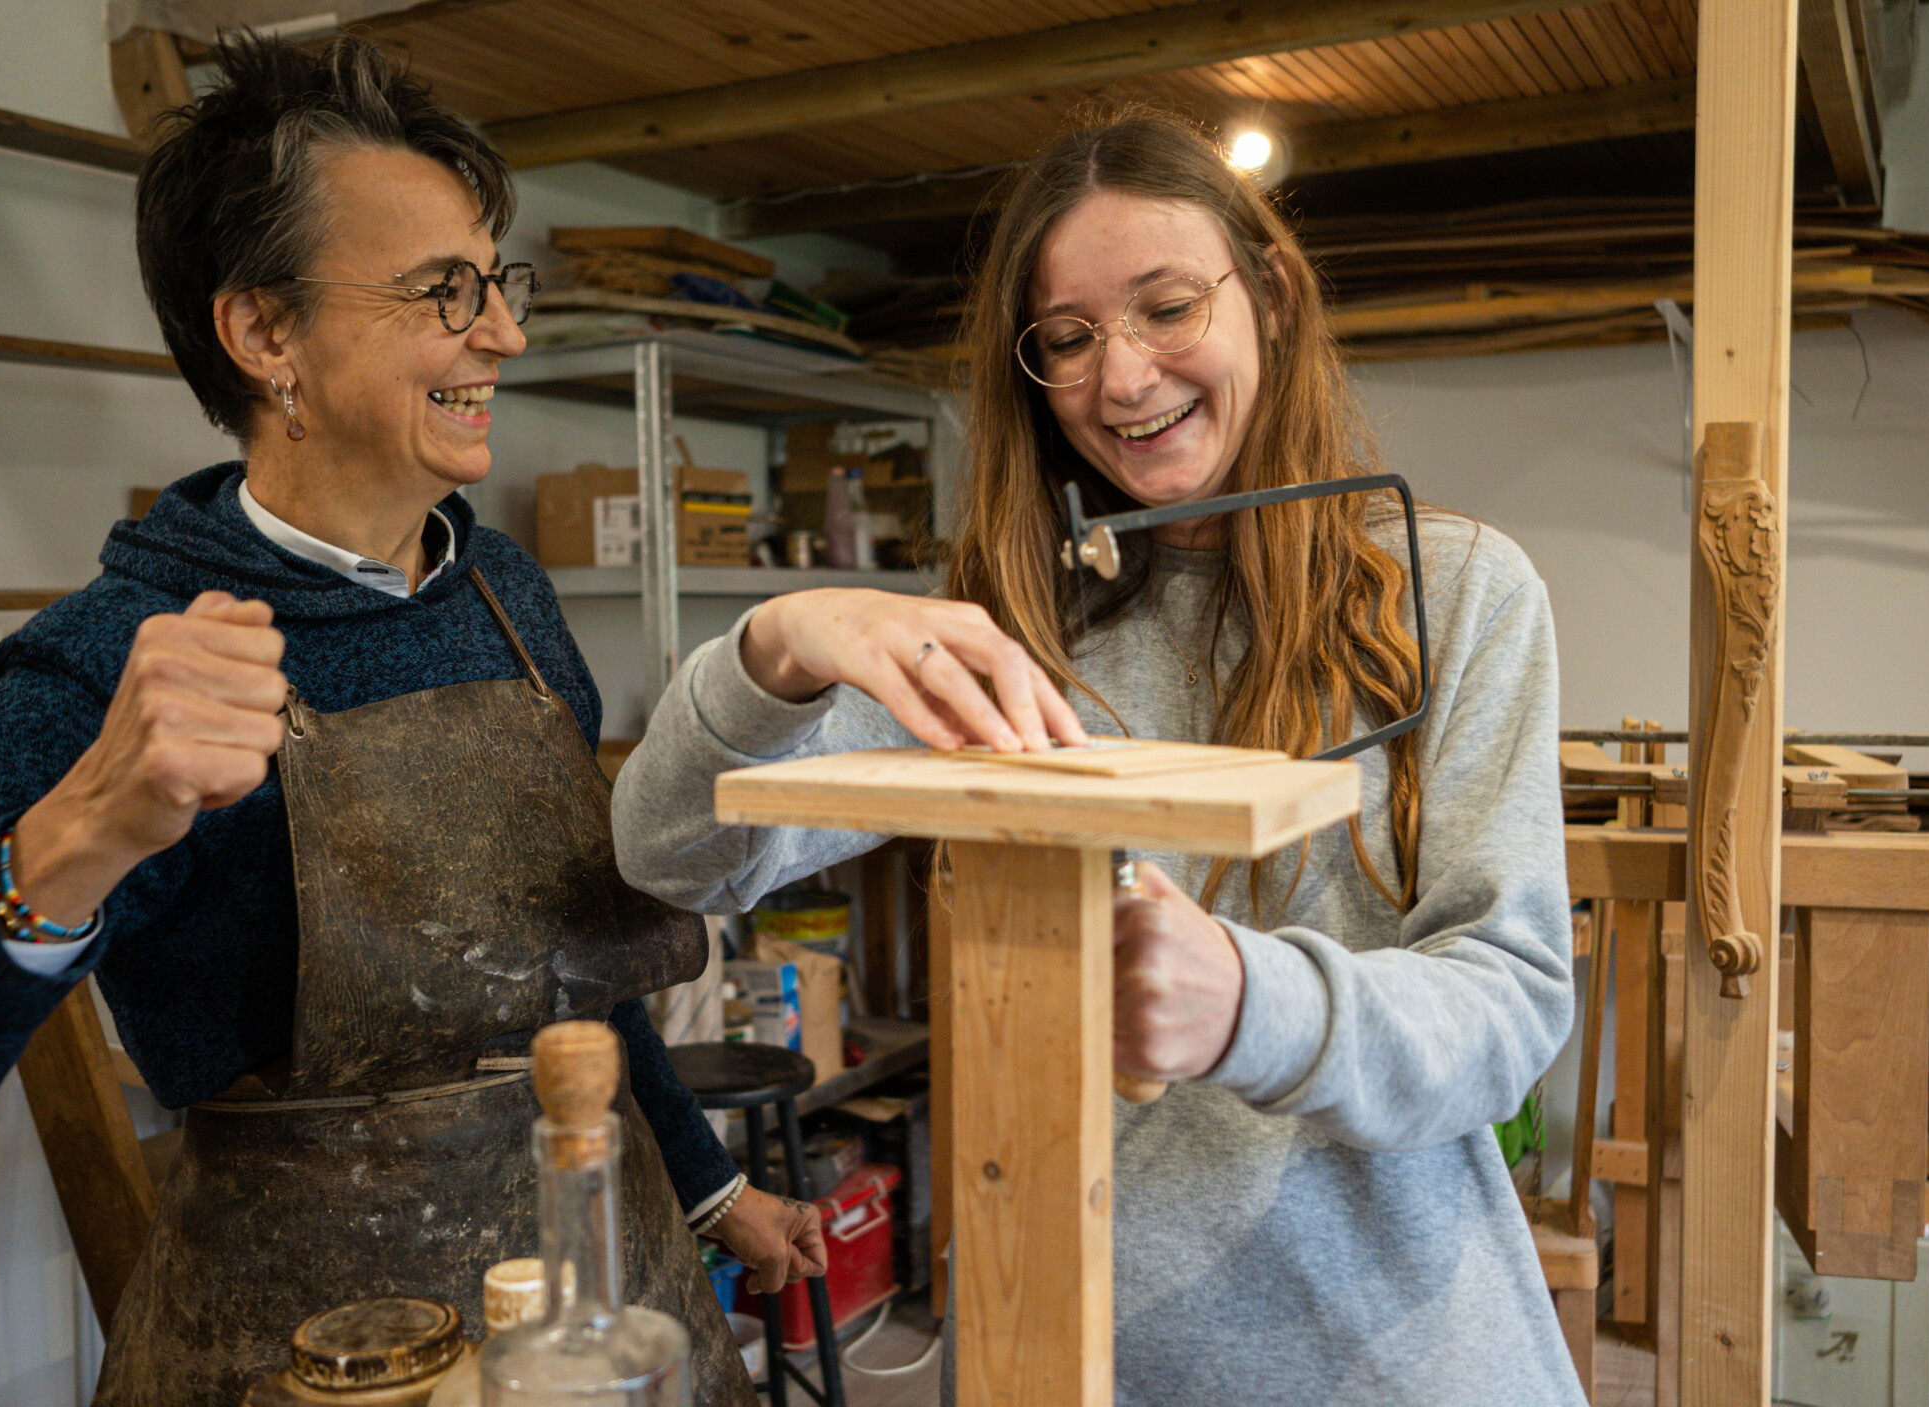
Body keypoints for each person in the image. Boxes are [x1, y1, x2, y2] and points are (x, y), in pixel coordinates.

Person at [0, 35, 816, 1407]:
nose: (506, 334)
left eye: (498, 284)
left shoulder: (507, 598)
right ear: (266, 336)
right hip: (313, 1358)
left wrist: (714, 1192)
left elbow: (570, 995)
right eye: (444, 292)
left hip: (603, 1311)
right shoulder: (109, 671)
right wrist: (74, 835)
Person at [614, 109, 1582, 1405]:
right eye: (1067, 339)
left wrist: (1249, 1001)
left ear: (1272, 297)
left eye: (1167, 307)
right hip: (1061, 1356)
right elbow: (671, 854)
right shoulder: (1008, 632)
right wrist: (780, 645)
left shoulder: (1454, 595)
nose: (1121, 379)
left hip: (1379, 1360)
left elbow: (1508, 1007)